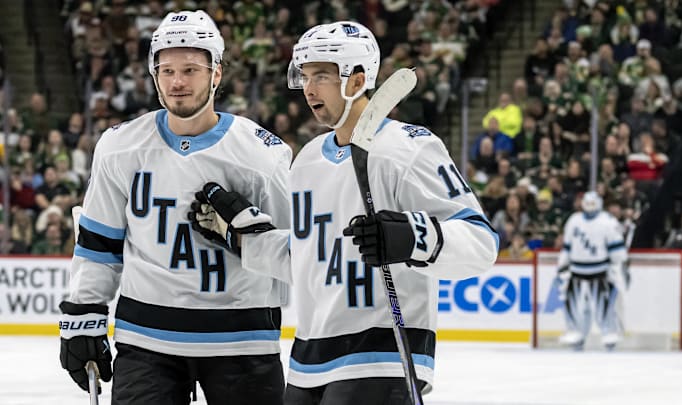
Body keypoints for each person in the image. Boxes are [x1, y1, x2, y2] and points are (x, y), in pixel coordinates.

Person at [189, 21, 499, 405]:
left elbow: (481, 243)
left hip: (382, 356)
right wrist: (241, 236)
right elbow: (306, 260)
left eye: (321, 75)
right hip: (310, 359)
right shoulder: (307, 160)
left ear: (356, 80)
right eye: (304, 76)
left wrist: (412, 237)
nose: (309, 88)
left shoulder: (409, 148)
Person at [58, 10, 291, 404]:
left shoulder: (263, 155)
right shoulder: (120, 147)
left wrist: (246, 238)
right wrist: (83, 317)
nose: (177, 82)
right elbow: (99, 243)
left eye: (191, 69)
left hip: (241, 340)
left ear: (216, 74)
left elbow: (294, 259)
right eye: (166, 71)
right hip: (146, 340)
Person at [555, 191, 628, 351]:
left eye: (593, 203)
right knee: (576, 306)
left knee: (605, 306)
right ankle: (576, 333)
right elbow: (567, 246)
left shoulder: (608, 221)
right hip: (576, 271)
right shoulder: (574, 221)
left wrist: (618, 265)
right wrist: (562, 263)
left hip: (600, 272)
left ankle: (609, 335)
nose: (590, 207)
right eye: (587, 203)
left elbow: (616, 249)